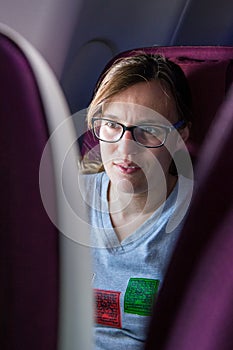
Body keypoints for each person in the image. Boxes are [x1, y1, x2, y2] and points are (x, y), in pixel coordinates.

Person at [79, 52, 193, 349]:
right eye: (112, 125)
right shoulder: (68, 198)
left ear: (180, 137)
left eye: (150, 130)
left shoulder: (196, 222)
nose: (125, 148)